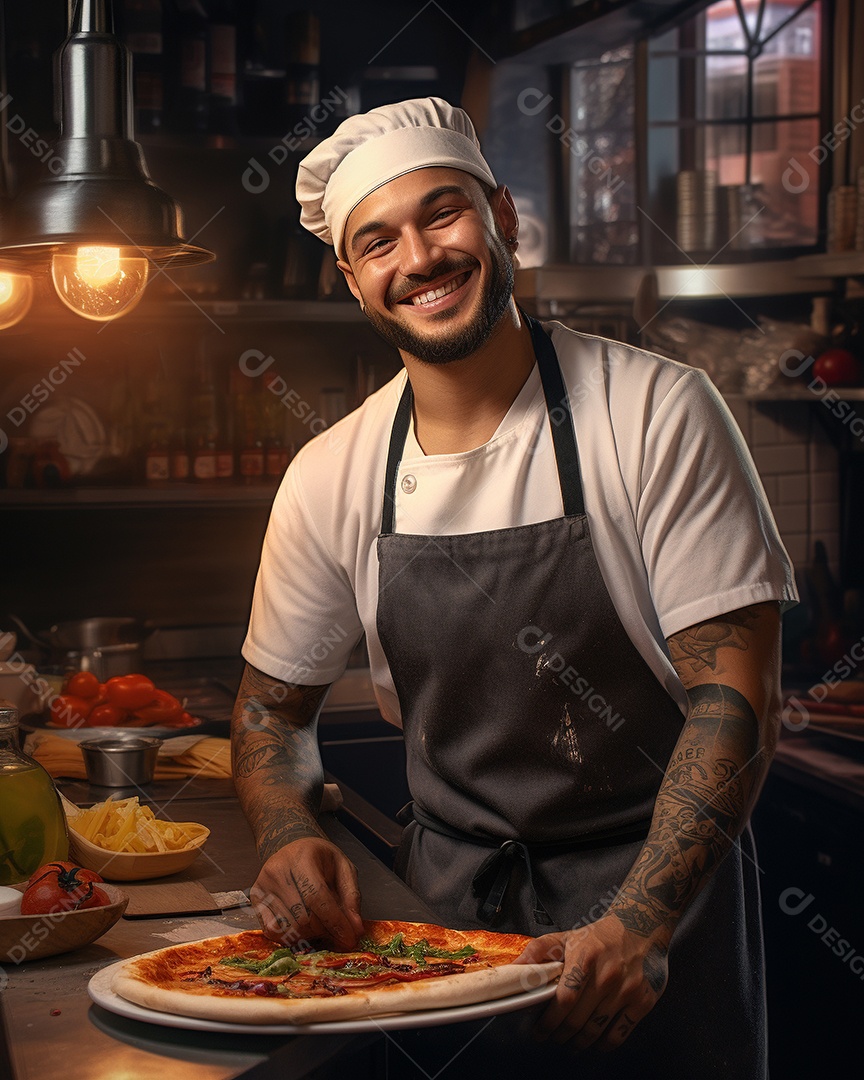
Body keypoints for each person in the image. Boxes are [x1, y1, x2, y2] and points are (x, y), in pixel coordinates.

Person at [231, 97, 797, 1077]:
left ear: (504, 217)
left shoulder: (656, 413)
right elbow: (269, 715)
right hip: (447, 934)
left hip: (654, 935)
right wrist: (286, 831)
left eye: (442, 214)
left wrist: (640, 926)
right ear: (352, 275)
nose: (420, 258)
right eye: (379, 241)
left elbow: (734, 702)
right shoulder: (331, 475)